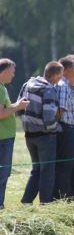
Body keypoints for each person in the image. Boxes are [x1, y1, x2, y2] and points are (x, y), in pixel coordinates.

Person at [20, 61, 63, 204]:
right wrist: (56, 128)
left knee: (36, 169)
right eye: (60, 76)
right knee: (47, 171)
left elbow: (20, 107)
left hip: (29, 134)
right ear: (55, 74)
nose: (60, 79)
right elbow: (49, 117)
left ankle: (27, 201)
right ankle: (45, 203)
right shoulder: (49, 89)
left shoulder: (27, 84)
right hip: (45, 136)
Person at [0, 59, 30, 209]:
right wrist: (17, 107)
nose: (13, 75)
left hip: (5, 138)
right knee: (2, 174)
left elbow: (4, 107)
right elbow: (0, 113)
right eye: (12, 71)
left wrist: (15, 105)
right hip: (2, 139)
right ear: (5, 72)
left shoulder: (2, 88)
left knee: (4, 174)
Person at [54, 56, 74, 199]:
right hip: (66, 129)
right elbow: (60, 111)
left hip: (72, 129)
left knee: (73, 165)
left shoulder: (71, 86)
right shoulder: (63, 86)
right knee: (65, 166)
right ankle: (63, 197)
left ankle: (70, 195)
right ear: (65, 71)